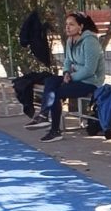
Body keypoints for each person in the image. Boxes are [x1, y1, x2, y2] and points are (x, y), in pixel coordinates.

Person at [37, 12, 106, 143]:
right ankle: (44, 114)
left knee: (57, 93)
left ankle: (54, 131)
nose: (67, 27)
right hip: (75, 77)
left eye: (71, 24)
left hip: (91, 81)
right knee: (50, 80)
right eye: (66, 24)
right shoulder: (70, 41)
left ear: (81, 26)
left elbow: (90, 70)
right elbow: (68, 61)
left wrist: (71, 77)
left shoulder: (90, 41)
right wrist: (66, 73)